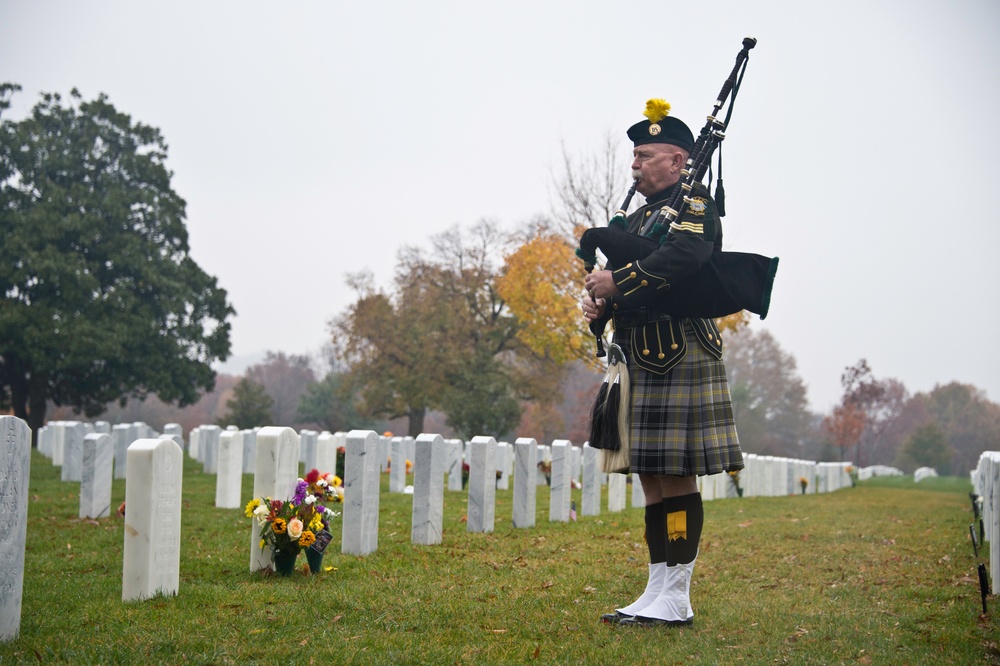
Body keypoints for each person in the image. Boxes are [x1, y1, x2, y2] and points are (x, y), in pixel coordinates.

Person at [582, 99, 744, 628]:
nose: (635, 164)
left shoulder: (695, 204)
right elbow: (633, 271)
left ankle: (678, 594)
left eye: (646, 154)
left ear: (677, 160)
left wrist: (618, 281)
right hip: (640, 352)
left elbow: (683, 261)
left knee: (676, 474)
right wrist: (602, 305)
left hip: (678, 349)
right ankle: (657, 587)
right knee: (651, 474)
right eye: (633, 155)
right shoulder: (644, 215)